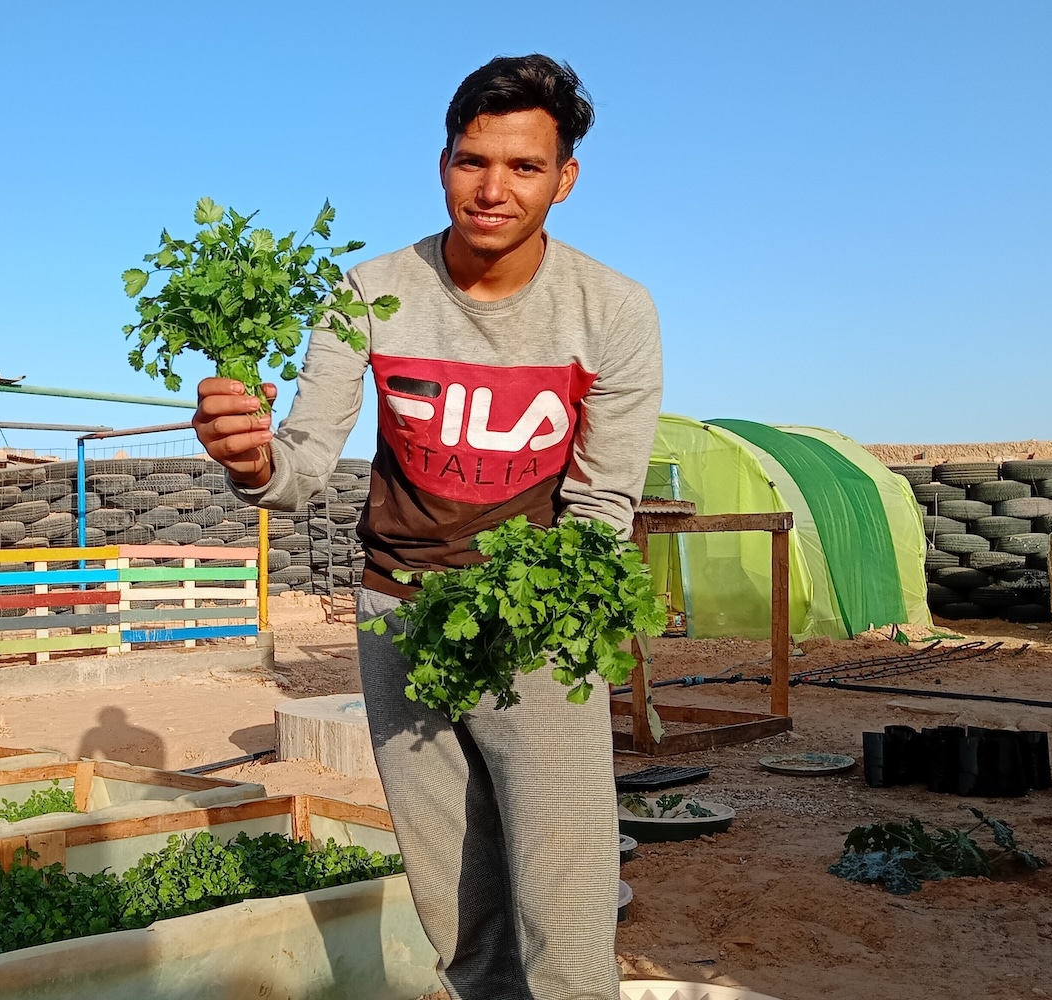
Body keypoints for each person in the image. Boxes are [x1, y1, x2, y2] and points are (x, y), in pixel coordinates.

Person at [192, 54, 663, 1000]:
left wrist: (544, 609)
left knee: (566, 922)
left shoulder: (611, 309)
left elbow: (604, 502)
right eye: (470, 161)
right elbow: (303, 462)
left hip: (538, 626)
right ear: (441, 161)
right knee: (457, 920)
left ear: (565, 178)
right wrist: (248, 458)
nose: (493, 189)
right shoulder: (368, 292)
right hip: (397, 620)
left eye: (524, 167)